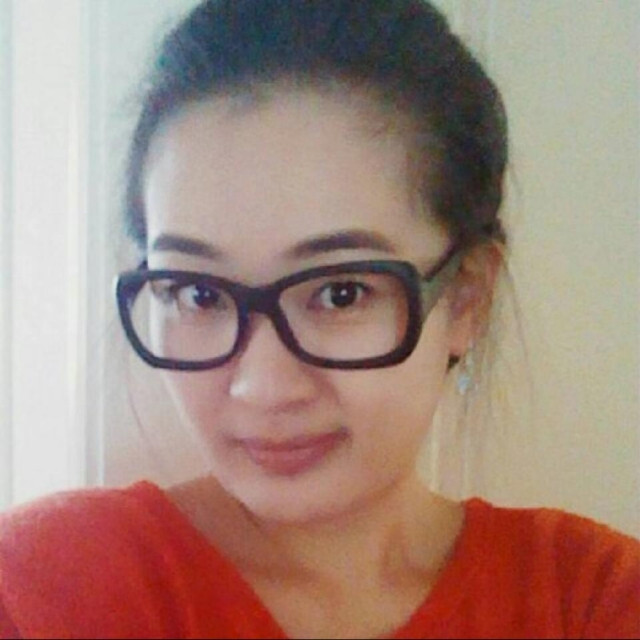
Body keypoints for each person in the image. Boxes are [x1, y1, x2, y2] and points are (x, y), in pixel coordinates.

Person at [0, 1, 638, 638]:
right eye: (199, 293)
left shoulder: (590, 602)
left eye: (340, 293)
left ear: (466, 298)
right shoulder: (45, 591)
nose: (262, 388)